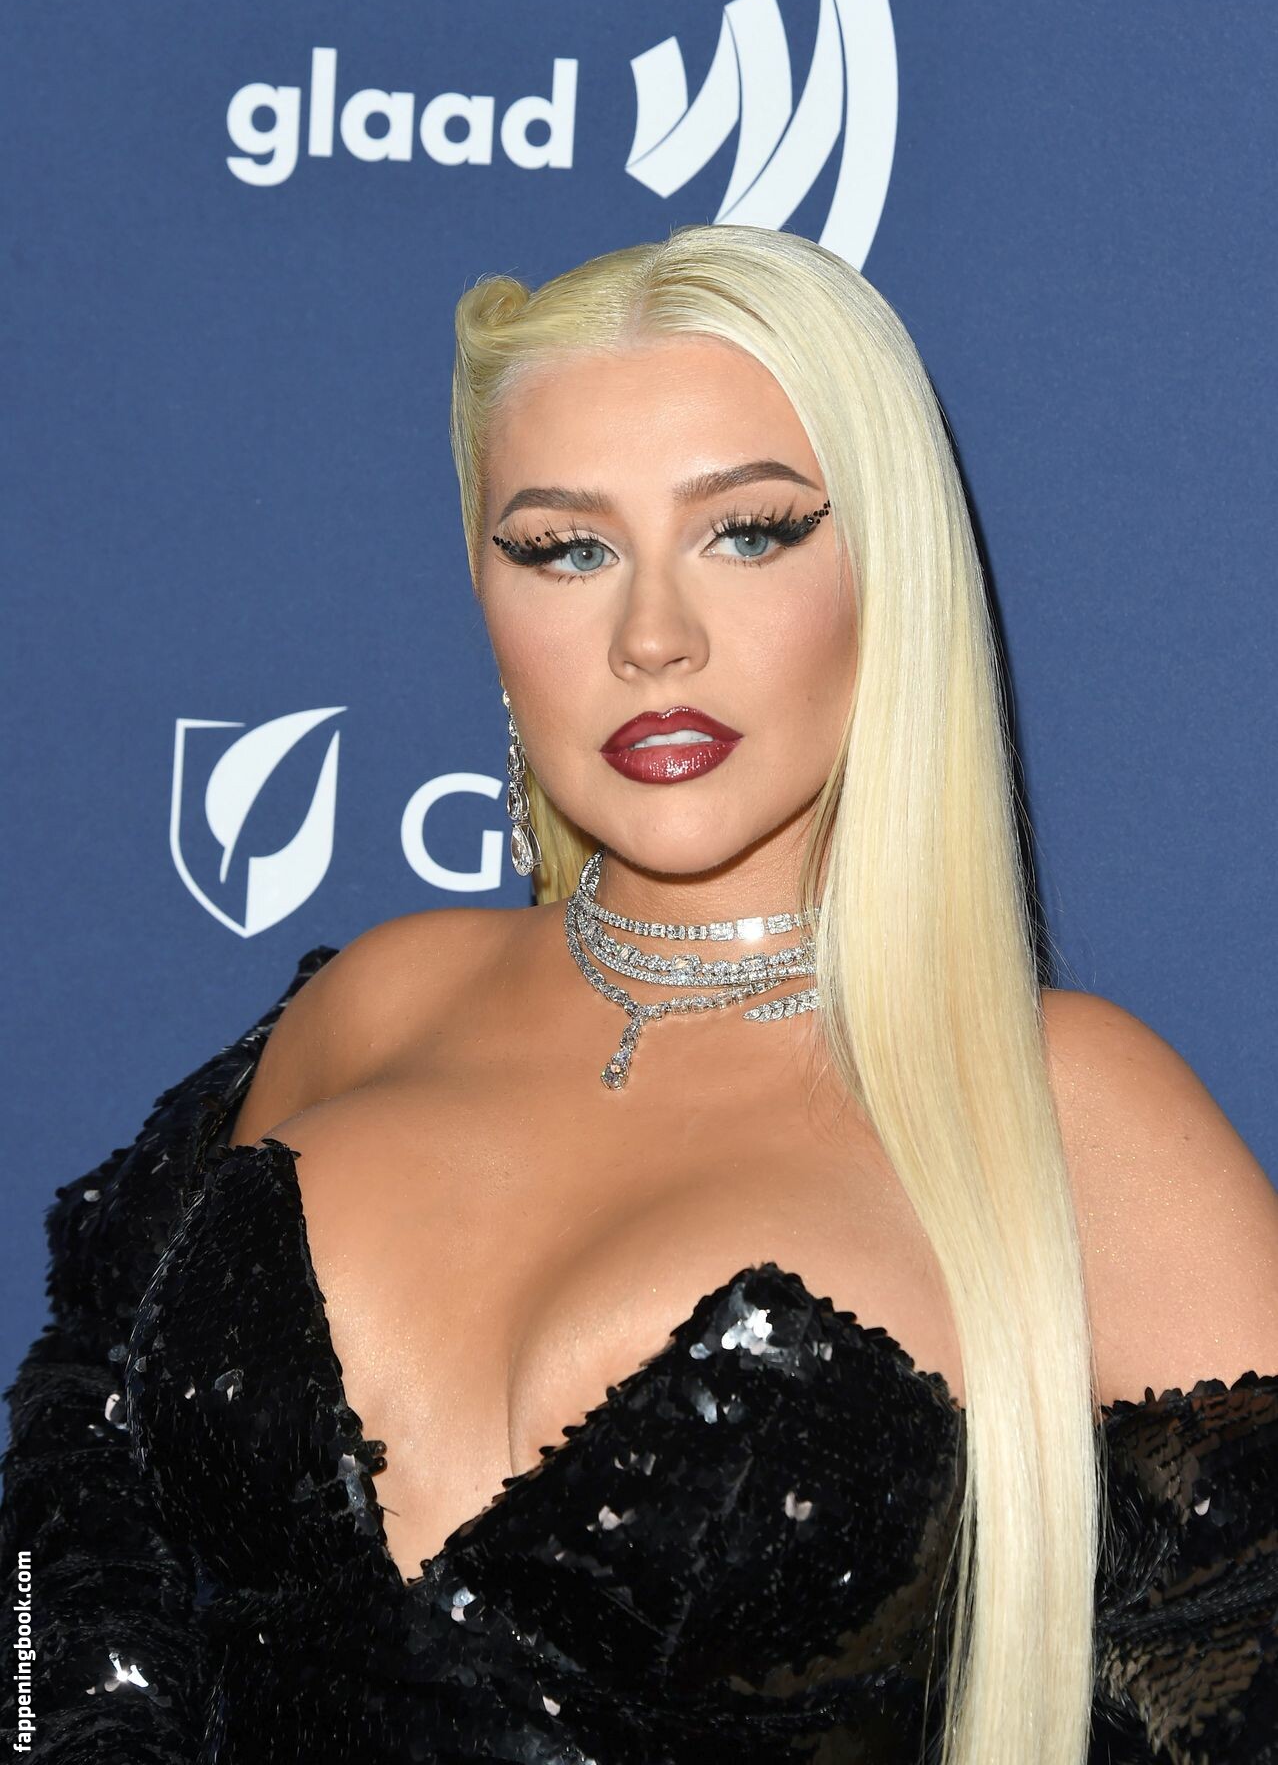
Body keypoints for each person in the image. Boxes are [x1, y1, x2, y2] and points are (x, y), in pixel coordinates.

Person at [2, 224, 1275, 1765]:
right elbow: (71, 1518)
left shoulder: (1074, 1114)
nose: (651, 638)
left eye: (748, 532)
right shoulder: (374, 1006)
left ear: (894, 571)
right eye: (564, 550)